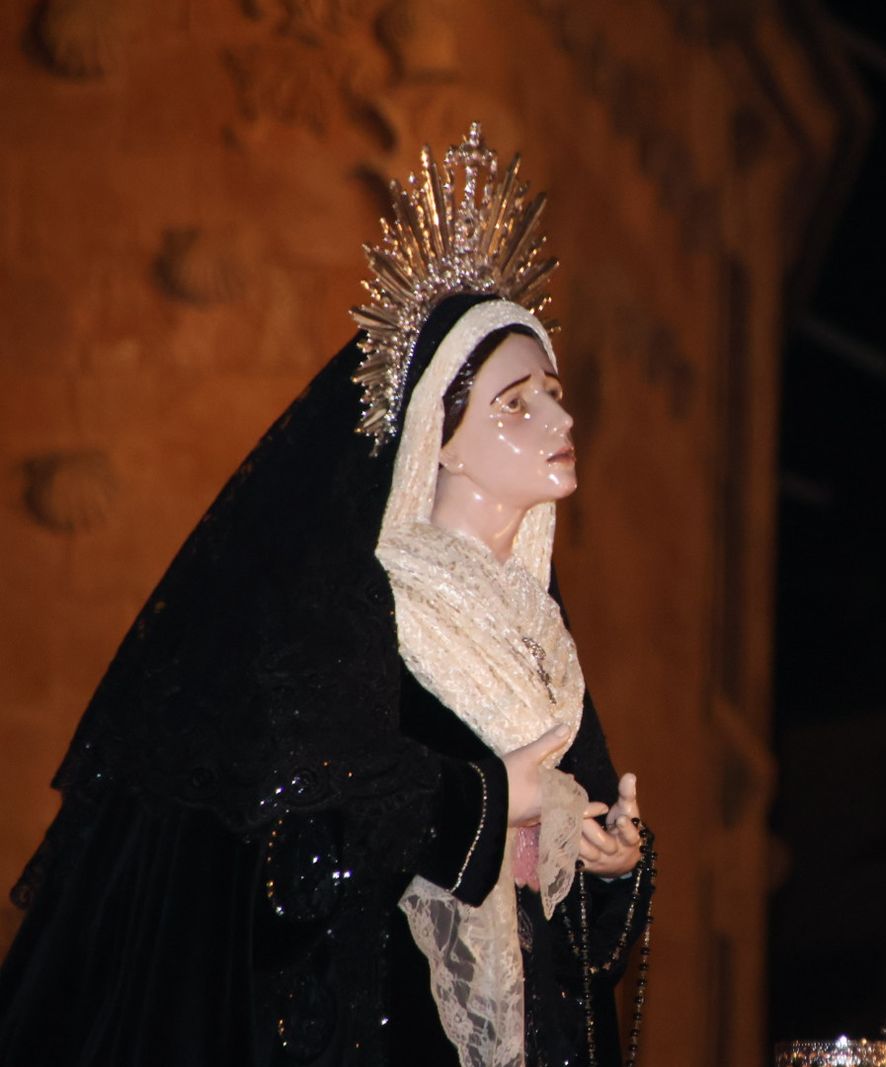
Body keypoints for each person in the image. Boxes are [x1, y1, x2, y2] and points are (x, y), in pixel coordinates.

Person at [0, 124, 654, 1067]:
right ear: (442, 434)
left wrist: (606, 856)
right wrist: (486, 799)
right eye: (518, 402)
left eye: (553, 390)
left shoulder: (543, 635)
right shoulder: (355, 605)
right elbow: (316, 797)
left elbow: (574, 898)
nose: (561, 416)